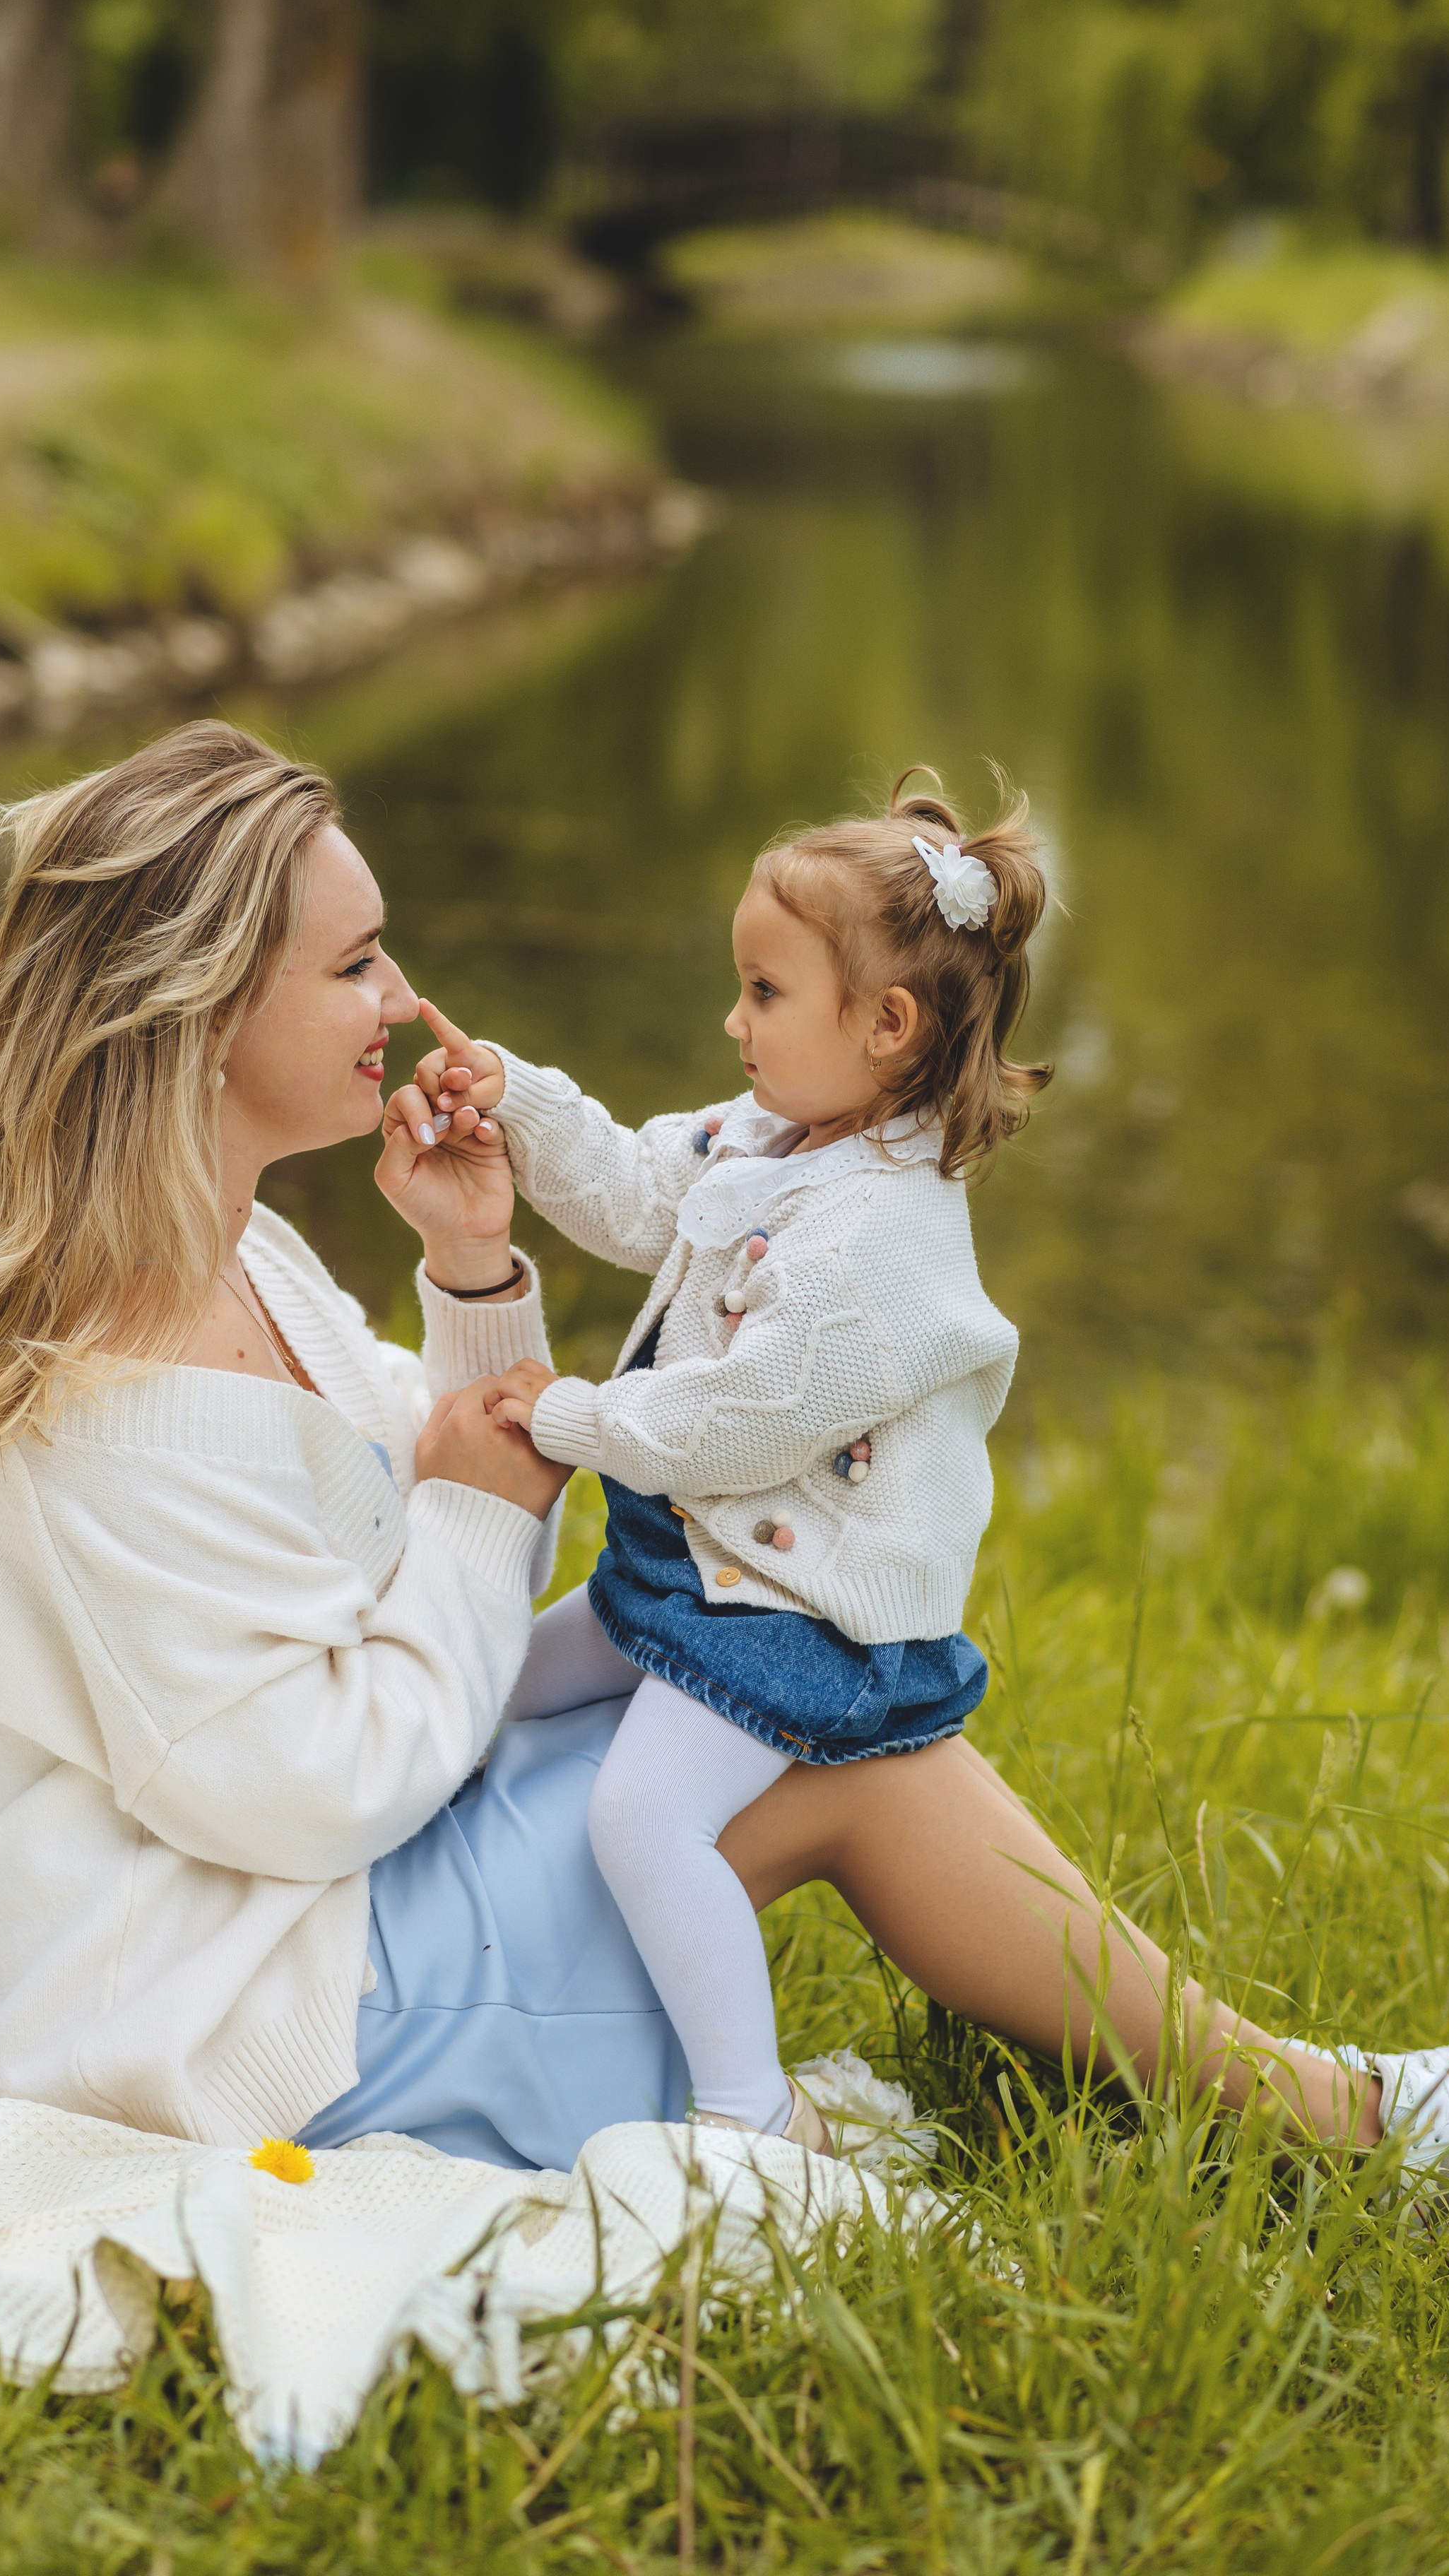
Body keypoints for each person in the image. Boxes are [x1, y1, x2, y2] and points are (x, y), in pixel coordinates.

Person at [0, 719, 1449, 2193]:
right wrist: (473, 1502)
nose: (403, 998)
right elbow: (322, 1775)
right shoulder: (121, 1394)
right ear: (202, 1010)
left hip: (300, 1905)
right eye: (355, 962)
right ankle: (1354, 2123)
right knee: (831, 1734)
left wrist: (473, 1279)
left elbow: (438, 1500)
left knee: (782, 1674)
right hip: (264, 2005)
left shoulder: (232, 1260)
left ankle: (1325, 2101)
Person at [400, 780, 1043, 2151]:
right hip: (684, 1576)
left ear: (885, 1025)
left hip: (789, 1618)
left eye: (762, 992)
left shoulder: (885, 1238)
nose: (732, 1022)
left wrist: (566, 1416)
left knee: (643, 1818)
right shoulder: (768, 1137)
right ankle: (413, 1920)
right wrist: (517, 1100)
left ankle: (747, 2111)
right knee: (477, 1685)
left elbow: (742, 1420)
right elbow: (639, 1192)